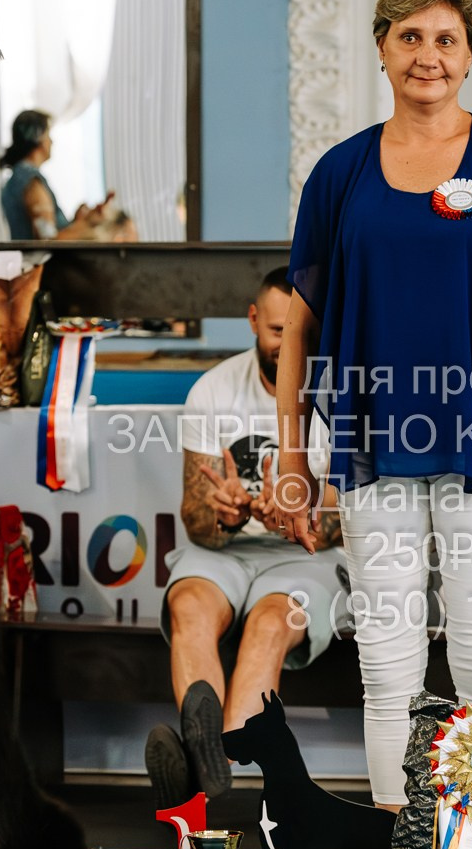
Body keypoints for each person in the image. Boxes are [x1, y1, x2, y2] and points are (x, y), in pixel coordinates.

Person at [270, 0, 472, 810]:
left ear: (470, 53)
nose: (427, 55)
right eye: (409, 36)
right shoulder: (340, 174)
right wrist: (292, 457)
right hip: (371, 447)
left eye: (446, 38)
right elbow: (299, 332)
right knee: (388, 666)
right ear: (381, 47)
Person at [145, 267, 346, 802]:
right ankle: (214, 766)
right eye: (279, 330)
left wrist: (300, 515)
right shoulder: (213, 390)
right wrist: (227, 517)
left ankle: (208, 771)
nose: (290, 343)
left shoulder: (342, 394)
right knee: (189, 604)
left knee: (270, 623)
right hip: (228, 552)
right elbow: (196, 520)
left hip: (307, 556)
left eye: (304, 331)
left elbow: (351, 521)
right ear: (254, 320)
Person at [0, 108, 116, 242]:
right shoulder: (30, 181)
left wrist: (80, 221)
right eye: (48, 134)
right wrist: (90, 226)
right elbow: (48, 240)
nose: (51, 141)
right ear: (38, 137)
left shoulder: (18, 179)